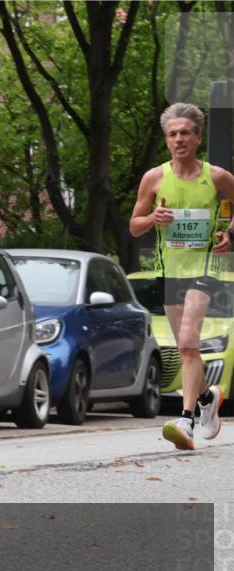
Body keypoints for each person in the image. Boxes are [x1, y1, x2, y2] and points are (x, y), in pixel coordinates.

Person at [130, 102, 234, 450]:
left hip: (204, 269)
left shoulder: (216, 177)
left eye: (185, 133)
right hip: (169, 270)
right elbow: (134, 226)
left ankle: (186, 421)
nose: (178, 139)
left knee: (189, 341)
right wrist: (152, 220)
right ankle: (207, 398)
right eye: (172, 134)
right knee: (187, 348)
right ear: (166, 140)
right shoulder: (155, 178)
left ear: (197, 137)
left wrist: (229, 234)